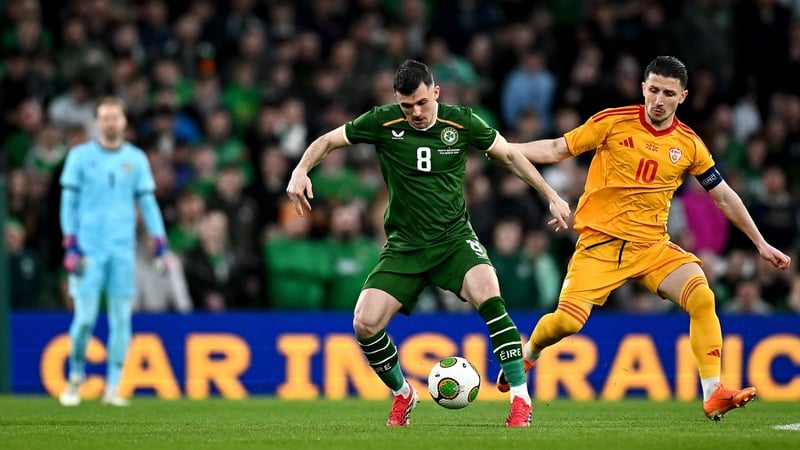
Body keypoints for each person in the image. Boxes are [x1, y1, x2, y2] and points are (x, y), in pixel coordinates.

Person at [495, 56, 792, 421]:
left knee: (702, 297)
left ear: (682, 97)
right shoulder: (612, 122)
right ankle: (531, 353)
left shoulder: (689, 145)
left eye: (668, 93)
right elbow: (558, 149)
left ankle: (713, 392)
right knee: (566, 324)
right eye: (653, 90)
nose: (659, 100)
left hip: (652, 248)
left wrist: (760, 243)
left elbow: (723, 196)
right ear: (643, 89)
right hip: (600, 246)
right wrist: (505, 149)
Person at [286, 59, 571, 427]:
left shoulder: (462, 121)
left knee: (489, 293)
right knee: (364, 323)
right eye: (407, 106)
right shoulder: (382, 121)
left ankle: (520, 400)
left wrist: (550, 193)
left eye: (422, 103)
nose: (416, 113)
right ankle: (404, 394)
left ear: (436, 92)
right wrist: (300, 169)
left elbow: (511, 155)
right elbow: (327, 141)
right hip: (405, 246)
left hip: (454, 240)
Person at [58, 96, 170, 407]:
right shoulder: (79, 157)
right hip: (88, 250)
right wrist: (71, 243)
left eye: (115, 117)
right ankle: (76, 375)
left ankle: (113, 387)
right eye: (104, 117)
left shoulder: (135, 159)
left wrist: (160, 243)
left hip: (122, 249)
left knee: (122, 319)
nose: (110, 122)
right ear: (97, 122)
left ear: (123, 121)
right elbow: (68, 203)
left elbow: (148, 203)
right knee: (84, 320)